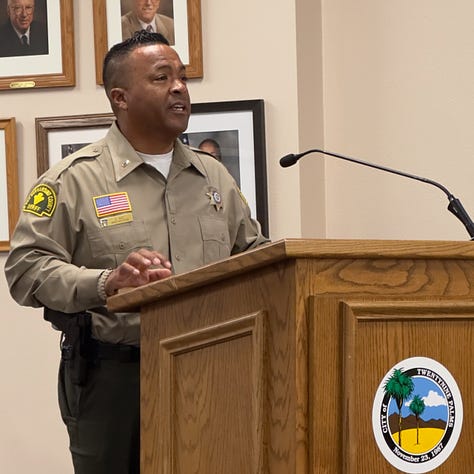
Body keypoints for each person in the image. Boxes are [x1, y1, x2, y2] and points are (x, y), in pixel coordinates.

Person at [4, 30, 268, 474]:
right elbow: (26, 271)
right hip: (115, 377)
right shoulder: (74, 179)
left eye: (182, 77)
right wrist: (108, 283)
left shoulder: (213, 177)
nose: (180, 87)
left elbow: (253, 256)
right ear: (120, 97)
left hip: (214, 368)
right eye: (162, 77)